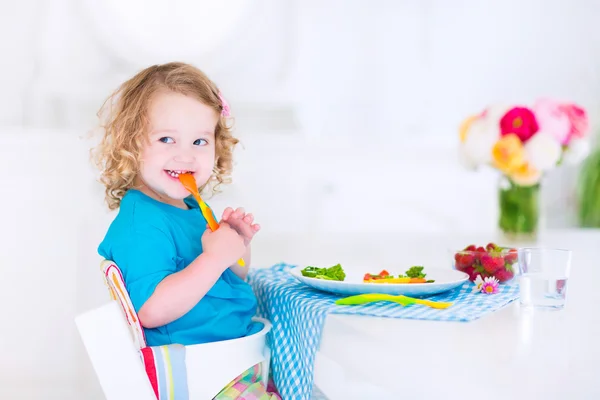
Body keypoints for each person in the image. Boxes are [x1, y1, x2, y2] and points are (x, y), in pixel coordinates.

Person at [92, 62, 279, 399]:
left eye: (199, 141)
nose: (185, 155)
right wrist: (213, 258)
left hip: (234, 358)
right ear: (131, 145)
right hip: (196, 373)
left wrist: (237, 247)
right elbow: (150, 309)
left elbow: (228, 278)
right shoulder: (141, 223)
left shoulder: (192, 207)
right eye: (167, 139)